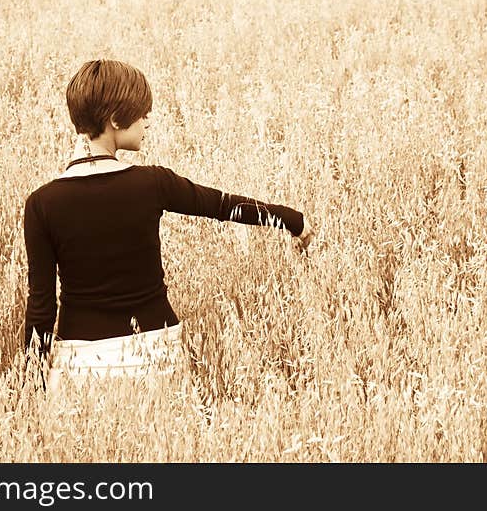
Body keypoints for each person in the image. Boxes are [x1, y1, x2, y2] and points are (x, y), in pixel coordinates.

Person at [23, 59, 314, 390]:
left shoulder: (42, 203)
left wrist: (32, 387)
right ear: (116, 119)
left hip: (81, 364)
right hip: (156, 354)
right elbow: (224, 206)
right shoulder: (152, 184)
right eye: (142, 113)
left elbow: (41, 306)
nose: (148, 121)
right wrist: (293, 220)